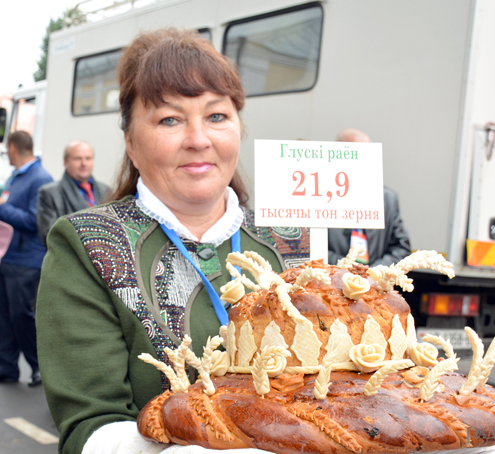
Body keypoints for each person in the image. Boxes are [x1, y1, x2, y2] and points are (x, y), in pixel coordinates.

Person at [36, 28, 309, 454]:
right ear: (130, 141)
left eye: (216, 116)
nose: (198, 139)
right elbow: (90, 427)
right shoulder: (88, 244)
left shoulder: (292, 240)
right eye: (170, 119)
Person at [0, 130, 53, 386]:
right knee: (5, 316)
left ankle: (39, 367)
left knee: (22, 316)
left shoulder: (40, 178)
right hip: (9, 257)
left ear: (13, 148)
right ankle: (7, 368)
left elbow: (34, 221)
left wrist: (2, 208)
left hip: (26, 260)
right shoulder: (15, 177)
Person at [328, 128, 411, 267]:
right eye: (358, 155)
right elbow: (309, 247)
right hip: (331, 281)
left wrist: (374, 272)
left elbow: (401, 248)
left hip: (374, 283)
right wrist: (347, 268)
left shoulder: (387, 199)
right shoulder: (322, 196)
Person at [37, 140, 110, 244]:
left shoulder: (106, 190)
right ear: (65, 161)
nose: (84, 163)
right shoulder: (49, 193)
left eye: (88, 158)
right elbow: (50, 237)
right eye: (77, 159)